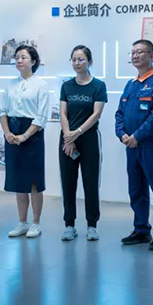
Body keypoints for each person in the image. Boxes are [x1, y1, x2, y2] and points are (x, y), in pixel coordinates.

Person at [115, 39, 153, 251]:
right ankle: (141, 230)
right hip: (132, 147)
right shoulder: (131, 85)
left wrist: (137, 136)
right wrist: (122, 134)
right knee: (136, 190)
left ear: (151, 55)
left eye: (140, 52)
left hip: (152, 147)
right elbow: (119, 114)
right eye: (133, 52)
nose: (135, 56)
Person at [0, 45, 50, 239]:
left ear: (33, 61)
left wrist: (25, 136)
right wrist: (7, 133)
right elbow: (3, 111)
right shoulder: (10, 84)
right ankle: (22, 222)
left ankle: (36, 223)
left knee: (34, 182)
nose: (19, 61)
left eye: (24, 57)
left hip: (32, 135)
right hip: (12, 133)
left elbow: (41, 116)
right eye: (17, 57)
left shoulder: (41, 85)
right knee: (18, 180)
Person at [59, 45, 107, 242]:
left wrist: (77, 133)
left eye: (81, 59)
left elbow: (96, 114)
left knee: (90, 182)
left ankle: (92, 225)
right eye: (74, 59)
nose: (77, 63)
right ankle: (69, 225)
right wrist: (68, 137)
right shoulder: (66, 86)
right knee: (68, 183)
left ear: (90, 62)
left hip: (88, 139)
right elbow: (63, 113)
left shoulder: (98, 86)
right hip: (67, 140)